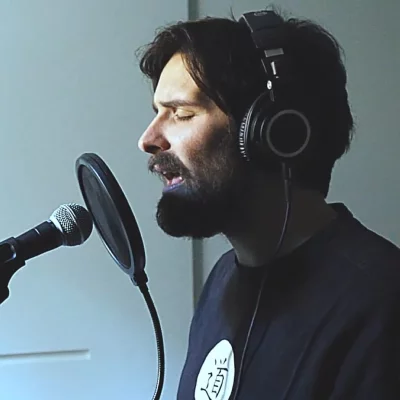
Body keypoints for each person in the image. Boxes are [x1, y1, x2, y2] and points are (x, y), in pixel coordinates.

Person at [136, 7, 400, 400]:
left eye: (182, 114)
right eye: (158, 113)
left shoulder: (381, 302)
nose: (148, 139)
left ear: (275, 132)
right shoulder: (223, 280)